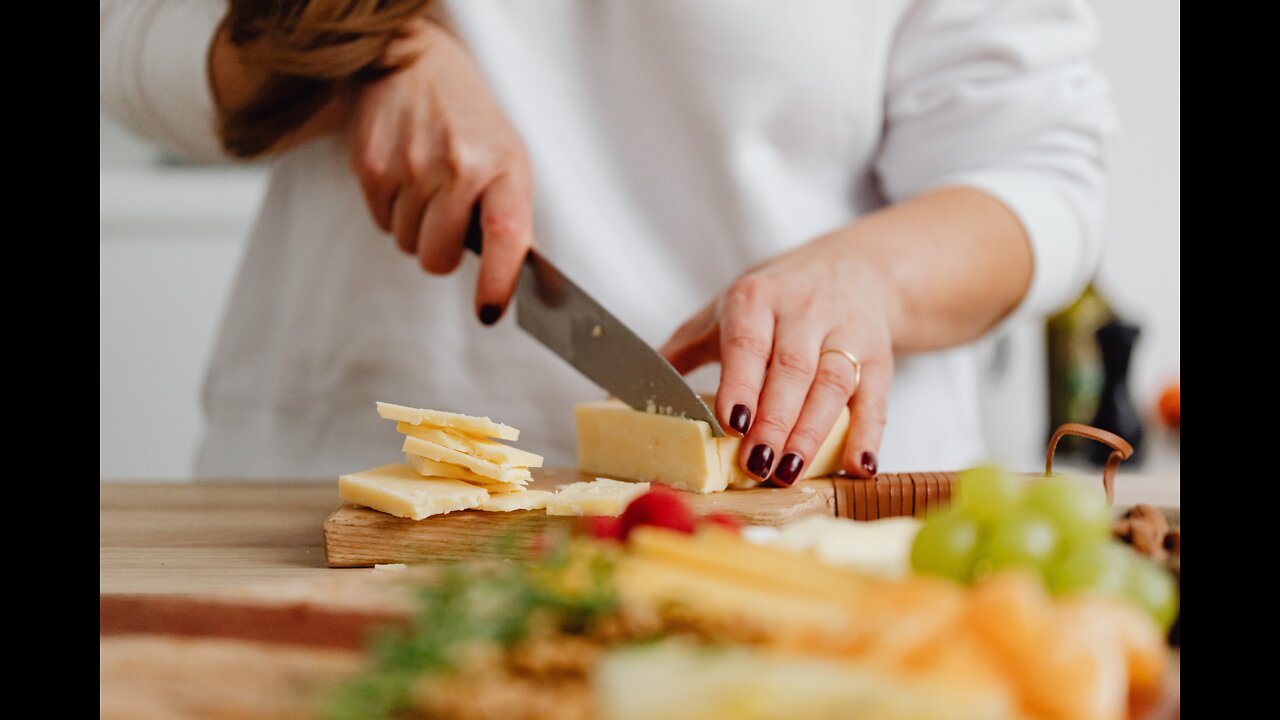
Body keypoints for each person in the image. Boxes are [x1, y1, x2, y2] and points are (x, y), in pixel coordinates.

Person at [101, 0, 1114, 484]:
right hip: (341, 496)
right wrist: (361, 57)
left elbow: (1038, 167)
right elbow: (126, 36)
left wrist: (869, 278)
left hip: (808, 518)